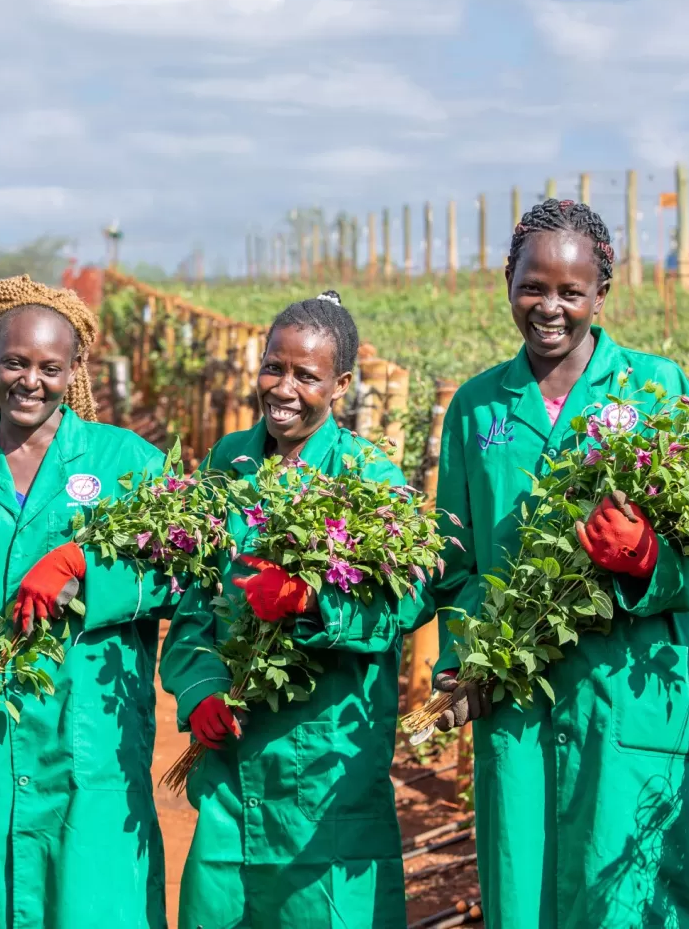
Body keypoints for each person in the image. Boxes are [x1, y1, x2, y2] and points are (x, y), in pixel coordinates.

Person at [426, 199, 689, 928]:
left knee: (630, 897)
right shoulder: (477, 407)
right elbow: (455, 564)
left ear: (602, 293)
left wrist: (650, 559)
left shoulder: (660, 392)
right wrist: (466, 657)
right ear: (508, 281)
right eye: (534, 286)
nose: (550, 308)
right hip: (518, 701)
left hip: (628, 694)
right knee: (522, 894)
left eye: (571, 291)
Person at [0, 275, 178, 929]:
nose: (31, 381)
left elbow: (180, 574)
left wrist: (87, 567)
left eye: (50, 368)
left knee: (95, 905)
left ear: (74, 370)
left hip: (92, 743)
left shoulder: (128, 462)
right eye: (16, 362)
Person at [159, 291, 414, 929]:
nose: (285, 388)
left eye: (307, 376)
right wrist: (202, 693)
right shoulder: (229, 462)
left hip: (326, 764)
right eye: (275, 367)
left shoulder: (369, 477)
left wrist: (310, 604)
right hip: (231, 772)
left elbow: (402, 605)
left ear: (341, 385)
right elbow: (195, 599)